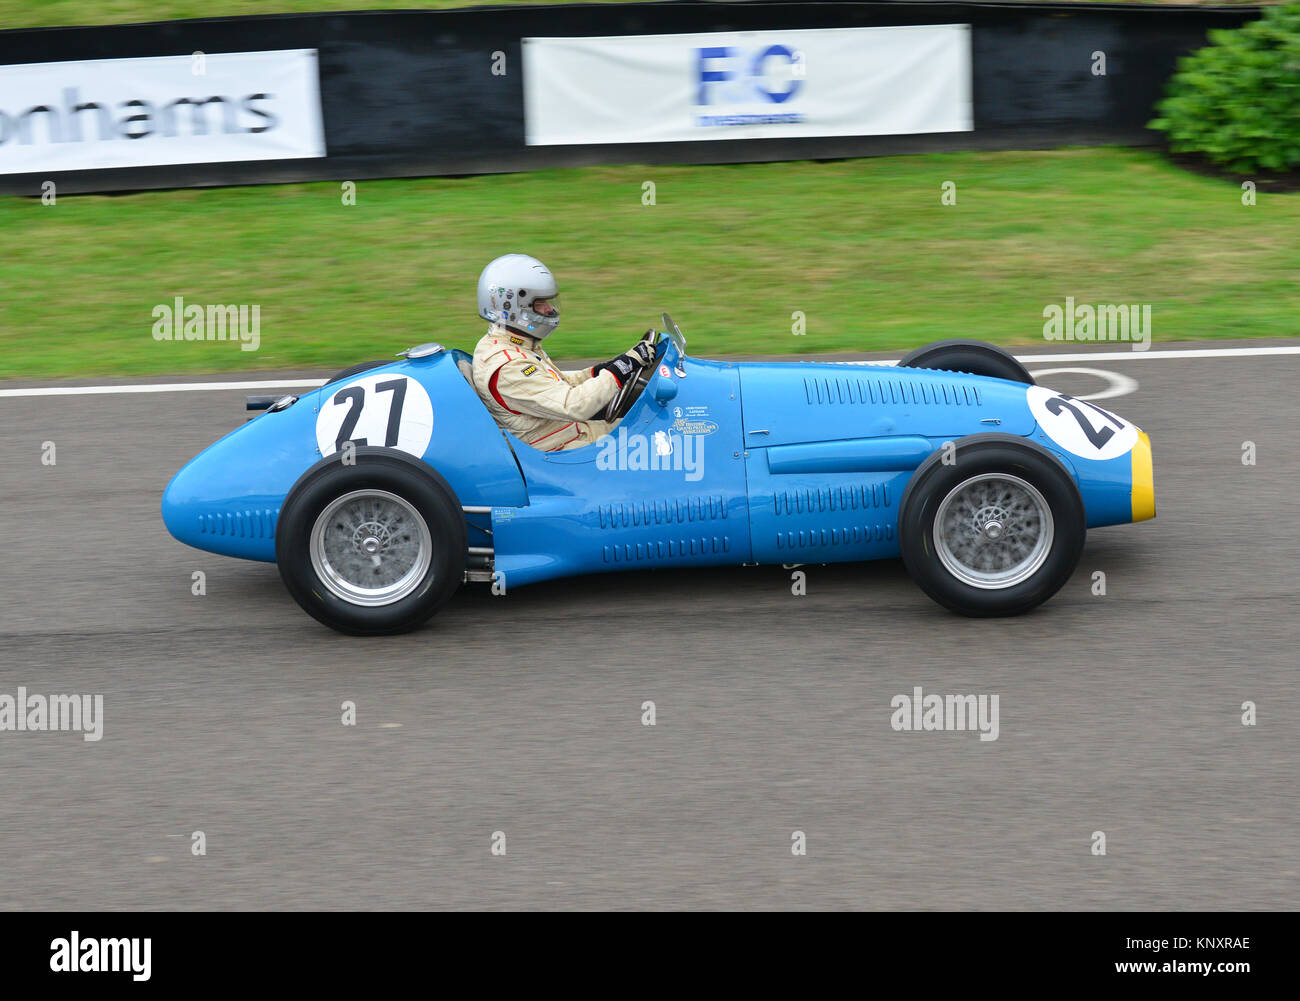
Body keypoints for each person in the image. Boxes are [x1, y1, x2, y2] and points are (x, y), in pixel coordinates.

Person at [471, 254, 656, 451]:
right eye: (540, 303)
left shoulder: (514, 346)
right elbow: (573, 405)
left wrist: (604, 369)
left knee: (649, 424)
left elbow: (559, 386)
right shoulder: (509, 366)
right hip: (563, 449)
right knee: (659, 438)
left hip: (571, 432)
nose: (550, 309)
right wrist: (622, 368)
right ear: (513, 307)